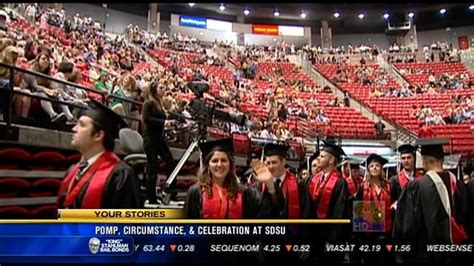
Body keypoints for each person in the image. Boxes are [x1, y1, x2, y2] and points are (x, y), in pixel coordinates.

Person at [393, 138, 468, 263]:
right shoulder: (460, 185)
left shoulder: (416, 186)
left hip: (426, 254)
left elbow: (408, 228)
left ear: (423, 160)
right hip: (457, 253)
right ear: (442, 160)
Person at [56, 100, 141, 208]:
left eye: (81, 125)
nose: (74, 129)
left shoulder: (120, 176)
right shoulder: (72, 171)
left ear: (98, 135)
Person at [184, 138, 268, 219]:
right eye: (214, 161)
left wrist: (270, 183)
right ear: (208, 165)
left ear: (230, 165)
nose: (219, 164)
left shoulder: (245, 193)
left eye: (223, 160)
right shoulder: (196, 192)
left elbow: (267, 212)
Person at [302, 140, 349, 262]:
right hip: (312, 235)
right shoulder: (311, 180)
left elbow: (339, 213)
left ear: (332, 160)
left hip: (328, 236)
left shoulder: (340, 183)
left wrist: (333, 240)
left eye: (322, 156)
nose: (318, 158)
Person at [352, 154, 394, 263]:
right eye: (371, 166)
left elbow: (395, 203)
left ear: (381, 169)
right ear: (368, 170)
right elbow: (358, 210)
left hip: (386, 231)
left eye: (377, 165)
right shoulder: (362, 187)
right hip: (369, 233)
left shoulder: (389, 186)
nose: (374, 167)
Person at [142, 81, 176, 205]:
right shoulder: (148, 103)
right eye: (161, 87)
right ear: (154, 89)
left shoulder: (159, 104)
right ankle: (151, 198)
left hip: (159, 137)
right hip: (150, 138)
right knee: (152, 167)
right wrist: (164, 123)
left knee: (171, 162)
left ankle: (169, 192)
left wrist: (169, 123)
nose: (164, 89)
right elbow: (147, 119)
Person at [251, 143, 306, 219]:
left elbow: (305, 212)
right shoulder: (259, 185)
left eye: (274, 162)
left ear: (283, 162)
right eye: (268, 163)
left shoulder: (298, 185)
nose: (270, 167)